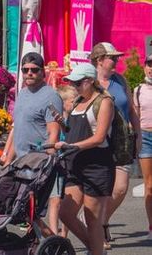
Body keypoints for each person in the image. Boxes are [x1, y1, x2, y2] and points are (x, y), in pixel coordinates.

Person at [54, 63, 115, 255]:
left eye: (78, 83)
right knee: (66, 213)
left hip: (97, 165)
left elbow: (99, 137)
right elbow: (74, 132)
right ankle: (95, 248)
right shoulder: (77, 101)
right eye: (73, 83)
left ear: (90, 81)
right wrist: (62, 125)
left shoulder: (104, 101)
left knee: (92, 219)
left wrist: (71, 146)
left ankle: (96, 250)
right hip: (76, 163)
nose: (75, 86)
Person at [2, 52, 64, 230]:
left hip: (39, 162)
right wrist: (8, 160)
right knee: (23, 212)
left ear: (42, 72)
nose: (29, 73)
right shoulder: (22, 94)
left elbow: (53, 133)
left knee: (32, 212)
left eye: (34, 70)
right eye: (25, 70)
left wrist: (48, 161)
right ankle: (45, 242)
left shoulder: (50, 96)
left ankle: (53, 242)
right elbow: (18, 129)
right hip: (21, 162)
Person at [88, 42, 142, 246]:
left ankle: (101, 221)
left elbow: (132, 110)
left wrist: (136, 135)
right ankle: (98, 228)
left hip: (120, 141)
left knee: (120, 188)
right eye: (113, 58)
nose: (117, 61)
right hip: (96, 141)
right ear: (99, 60)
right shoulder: (89, 81)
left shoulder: (120, 80)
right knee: (101, 189)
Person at [134, 53, 152, 240]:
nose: (151, 68)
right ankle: (151, 227)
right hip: (145, 136)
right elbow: (135, 115)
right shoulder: (138, 89)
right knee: (149, 185)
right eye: (149, 64)